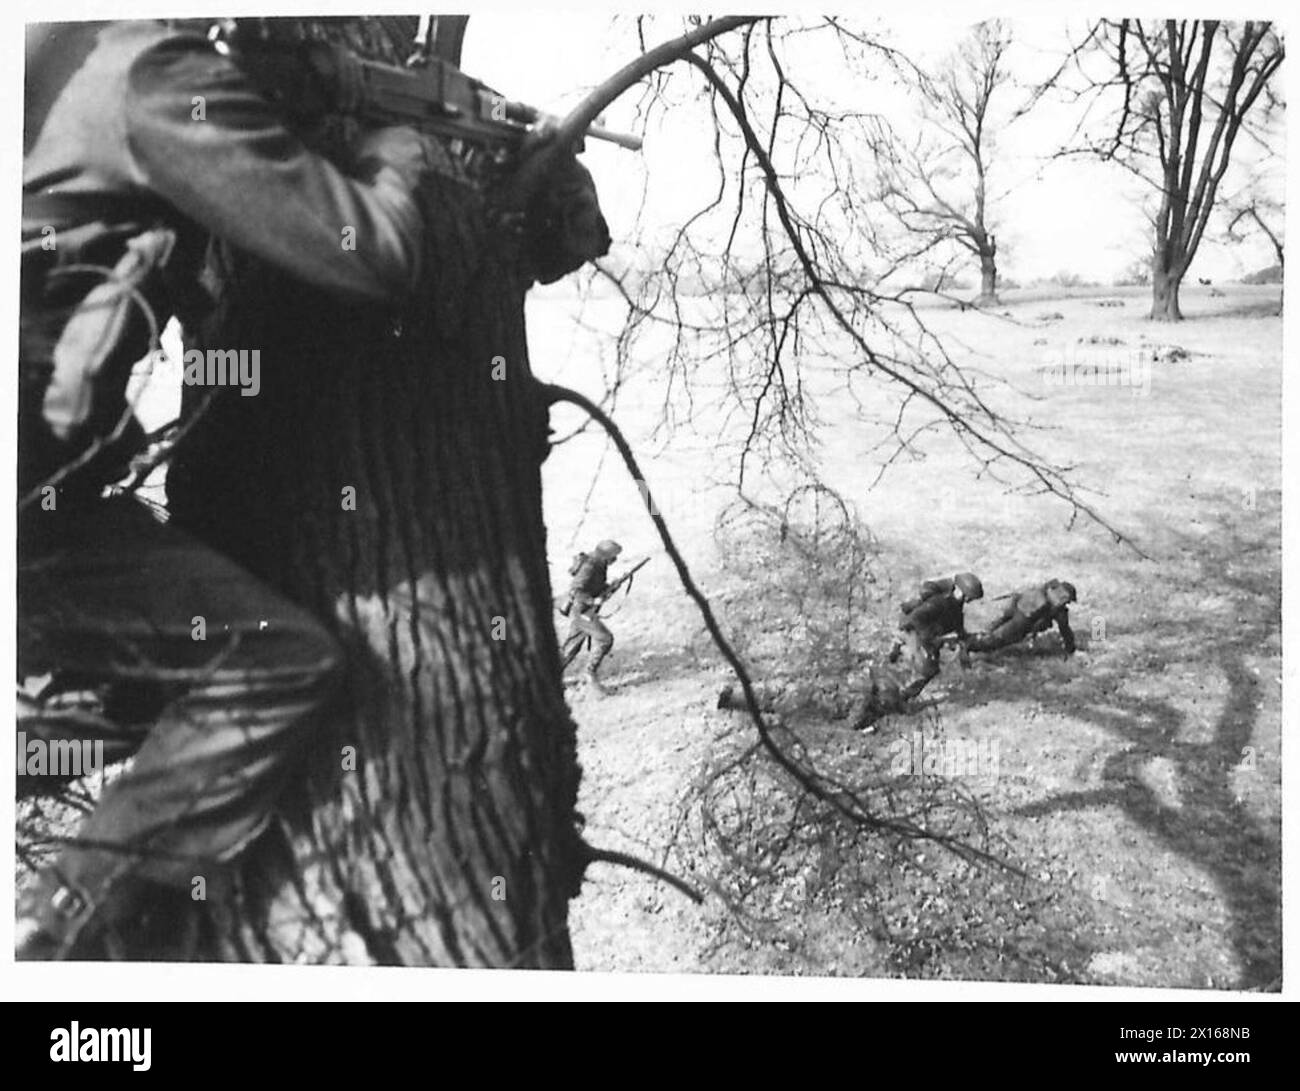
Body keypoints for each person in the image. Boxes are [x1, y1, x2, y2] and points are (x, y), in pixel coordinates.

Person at [17, 18, 442, 958]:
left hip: (47, 497)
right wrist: (398, 159)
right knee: (273, 662)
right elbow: (371, 254)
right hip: (33, 509)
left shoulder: (66, 55)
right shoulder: (154, 77)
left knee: (131, 696)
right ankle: (49, 939)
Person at [886, 572, 984, 703]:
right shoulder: (939, 602)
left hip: (925, 632)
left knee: (932, 668)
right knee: (926, 668)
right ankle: (901, 696)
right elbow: (916, 619)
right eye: (969, 597)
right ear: (961, 592)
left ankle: (905, 693)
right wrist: (932, 640)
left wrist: (967, 641)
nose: (969, 601)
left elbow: (958, 627)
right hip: (912, 629)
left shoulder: (954, 605)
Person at [562, 539, 623, 696]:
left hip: (583, 610)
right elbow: (576, 590)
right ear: (606, 556)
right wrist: (593, 601)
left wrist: (611, 588)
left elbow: (595, 588)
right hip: (581, 611)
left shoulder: (599, 564)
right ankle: (589, 675)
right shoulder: (590, 566)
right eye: (613, 557)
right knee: (605, 639)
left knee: (570, 648)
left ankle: (549, 677)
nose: (615, 560)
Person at [965, 579, 1078, 658]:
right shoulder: (1056, 609)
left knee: (989, 632)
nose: (1067, 603)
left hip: (1013, 604)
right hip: (1021, 620)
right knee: (992, 642)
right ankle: (965, 647)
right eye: (1067, 600)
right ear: (1063, 597)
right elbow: (1066, 632)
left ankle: (966, 640)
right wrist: (1071, 650)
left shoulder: (1043, 589)